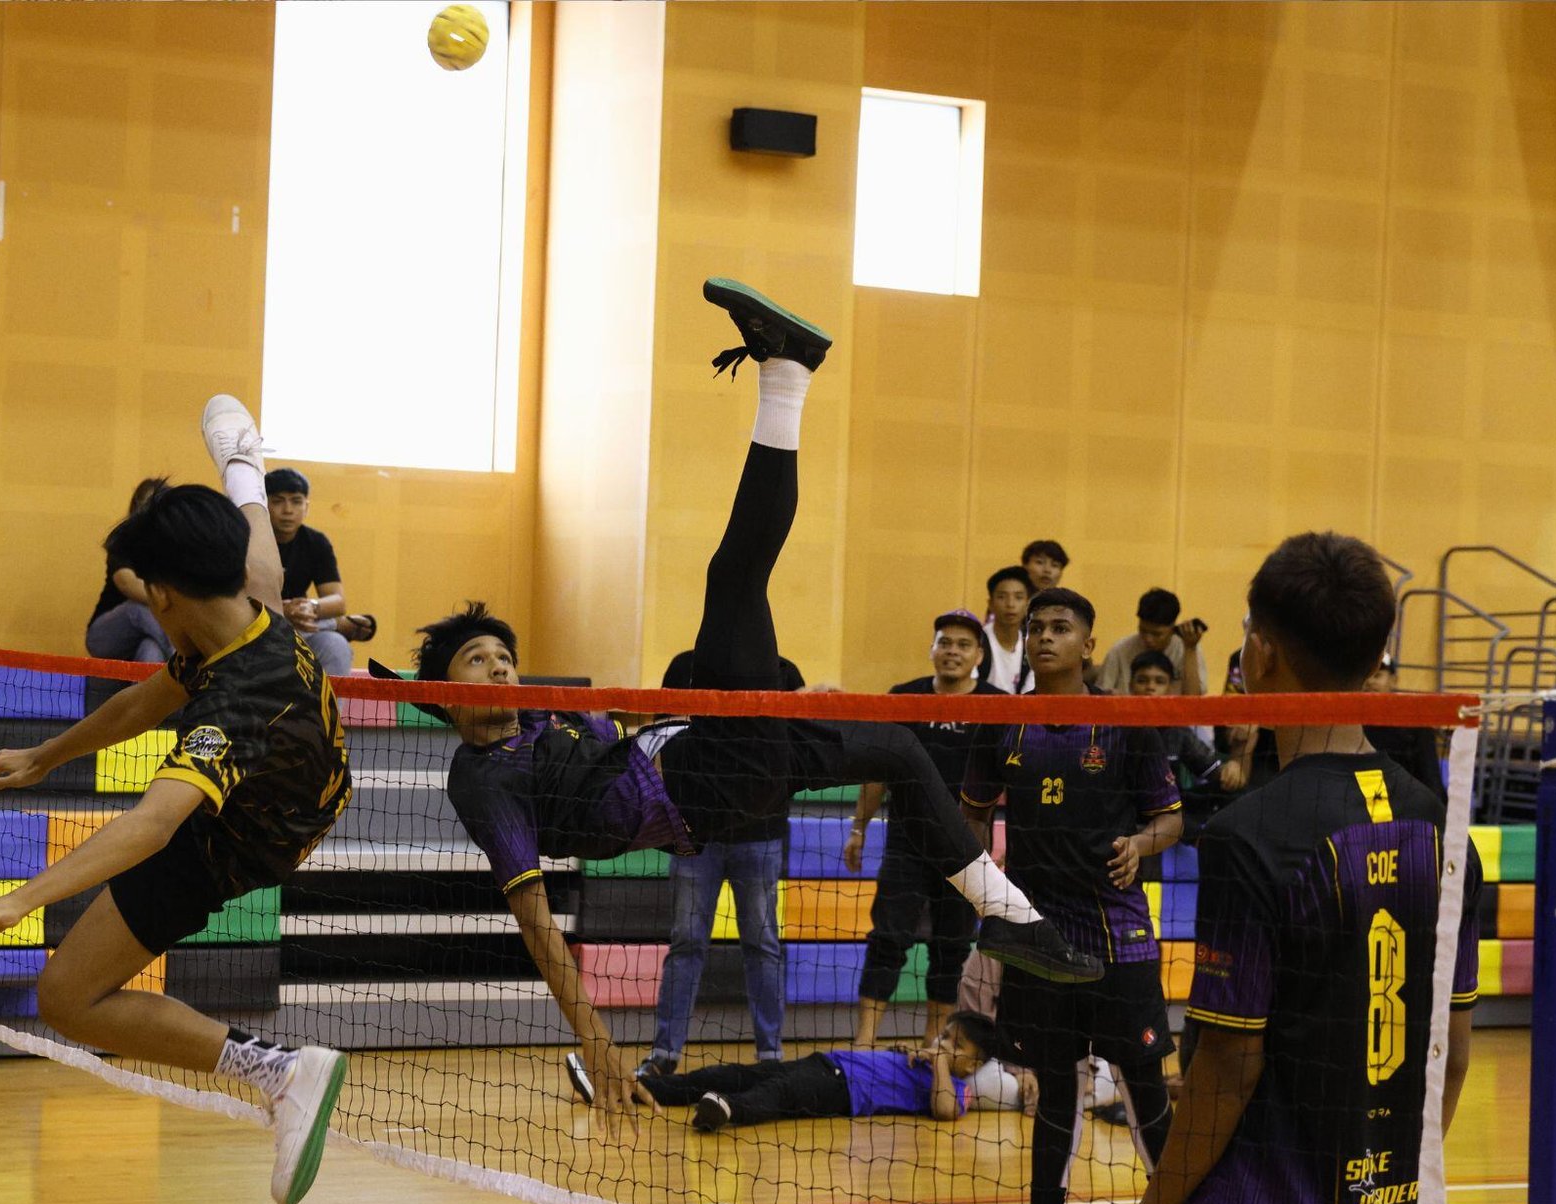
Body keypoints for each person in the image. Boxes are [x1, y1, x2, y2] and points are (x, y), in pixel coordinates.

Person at [407, 278, 1100, 1115]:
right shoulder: (482, 778)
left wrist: (767, 703)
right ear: (446, 697)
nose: (502, 669)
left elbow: (623, 725)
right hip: (700, 786)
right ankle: (788, 374)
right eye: (480, 663)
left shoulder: (548, 712)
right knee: (732, 577)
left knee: (895, 742)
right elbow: (537, 920)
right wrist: (596, 1037)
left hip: (709, 754)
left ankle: (1016, 919)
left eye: (505, 655)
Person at [0, 397, 352, 1204]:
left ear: (160, 597)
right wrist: (43, 755)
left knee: (66, 998)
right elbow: (146, 699)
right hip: (300, 762)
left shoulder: (237, 700)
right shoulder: (232, 612)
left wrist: (19, 899)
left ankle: (280, 1070)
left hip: (246, 833)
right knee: (266, 568)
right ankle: (242, 466)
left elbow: (151, 825)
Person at [1127, 532, 1483, 1204]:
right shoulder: (1442, 831)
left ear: (1259, 650)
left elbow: (1226, 1067)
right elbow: (1451, 1057)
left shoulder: (1252, 836)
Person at [960, 586, 1185, 1204]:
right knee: (1053, 1092)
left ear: (1091, 645)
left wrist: (1141, 842)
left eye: (1062, 627)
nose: (1045, 636)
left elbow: (1171, 819)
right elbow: (970, 820)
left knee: (1146, 1091)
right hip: (1039, 945)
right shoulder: (1006, 725)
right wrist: (983, 889)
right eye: (1036, 628)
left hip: (1119, 945)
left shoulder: (1125, 724)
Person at [844, 608, 1003, 1046]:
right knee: (887, 939)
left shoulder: (997, 706)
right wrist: (858, 828)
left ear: (979, 656)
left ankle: (936, 1044)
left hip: (965, 849)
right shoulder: (903, 697)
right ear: (932, 649)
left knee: (951, 948)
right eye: (944, 642)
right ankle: (864, 1042)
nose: (952, 651)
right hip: (907, 844)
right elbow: (877, 771)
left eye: (963, 645)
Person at [637, 649, 798, 1080]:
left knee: (762, 944)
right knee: (687, 941)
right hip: (694, 834)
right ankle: (665, 1053)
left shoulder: (781, 671)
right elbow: (658, 734)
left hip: (760, 834)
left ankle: (771, 1057)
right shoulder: (683, 667)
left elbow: (796, 742)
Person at [635, 1010, 1000, 1131]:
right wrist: (902, 1052)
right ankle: (647, 1088)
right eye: (945, 1035)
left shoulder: (955, 1087)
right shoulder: (922, 1059)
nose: (943, 1043)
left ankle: (727, 1110)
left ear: (973, 1064)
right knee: (734, 1073)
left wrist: (937, 1064)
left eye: (956, 1044)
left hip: (841, 1091)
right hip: (826, 1063)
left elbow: (945, 1110)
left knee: (780, 1095)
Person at [267, 467, 374, 677]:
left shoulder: (316, 542)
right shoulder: (249, 538)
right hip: (256, 624)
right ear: (264, 504)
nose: (288, 510)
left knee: (336, 645)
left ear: (307, 507)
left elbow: (338, 601)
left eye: (296, 501)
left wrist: (311, 607)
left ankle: (331, 710)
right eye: (278, 501)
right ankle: (334, 625)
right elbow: (238, 601)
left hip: (301, 624)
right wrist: (282, 610)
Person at [86, 477, 175, 664]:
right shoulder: (124, 538)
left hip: (149, 634)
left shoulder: (175, 544)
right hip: (105, 635)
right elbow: (127, 584)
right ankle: (182, 658)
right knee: (138, 609)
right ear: (137, 510)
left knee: (150, 649)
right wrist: (171, 601)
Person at [1129, 650, 1224, 787]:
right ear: (1130, 685)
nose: (1150, 687)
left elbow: (1212, 770)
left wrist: (1231, 770)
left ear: (1170, 688)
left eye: (1159, 681)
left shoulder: (1178, 731)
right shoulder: (1116, 728)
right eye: (1142, 680)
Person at [1362, 653, 1445, 800]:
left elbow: (1430, 779)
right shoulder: (1346, 725)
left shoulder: (1415, 725)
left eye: (1377, 675)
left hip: (1403, 807)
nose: (1370, 682)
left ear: (1393, 680)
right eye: (1365, 676)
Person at [1094, 588, 1207, 696]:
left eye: (1156, 634)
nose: (1148, 639)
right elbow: (1100, 695)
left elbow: (1193, 700)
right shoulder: (1120, 650)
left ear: (1173, 628)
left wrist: (1190, 649)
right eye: (1143, 631)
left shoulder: (1187, 647)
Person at [981, 566, 1035, 695]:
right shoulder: (978, 640)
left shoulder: (1032, 644)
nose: (1010, 604)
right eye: (1002, 597)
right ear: (990, 604)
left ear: (1028, 604)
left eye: (1018, 597)